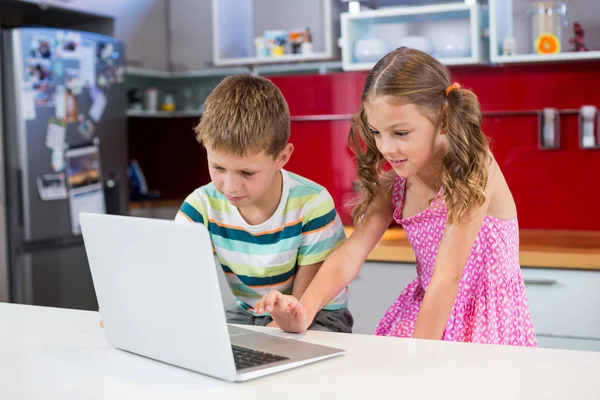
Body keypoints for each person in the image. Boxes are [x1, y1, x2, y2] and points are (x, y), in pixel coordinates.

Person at [254, 47, 537, 346]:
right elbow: (349, 256)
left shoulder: (474, 167)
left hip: (486, 318)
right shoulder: (395, 185)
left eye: (400, 133)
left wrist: (418, 357)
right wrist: (303, 311)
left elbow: (447, 278)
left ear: (443, 119)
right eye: (377, 132)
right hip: (428, 310)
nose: (386, 147)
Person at [174, 74, 353, 333]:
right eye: (218, 167)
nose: (230, 186)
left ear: (282, 157)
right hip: (248, 313)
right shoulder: (201, 205)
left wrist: (265, 338)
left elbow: (300, 311)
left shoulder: (312, 203)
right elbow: (170, 271)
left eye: (247, 173)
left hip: (316, 315)